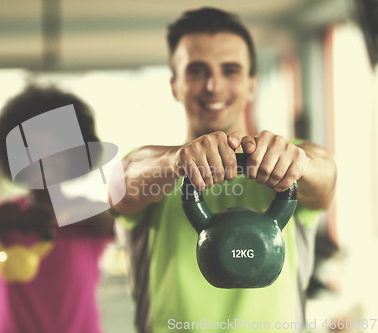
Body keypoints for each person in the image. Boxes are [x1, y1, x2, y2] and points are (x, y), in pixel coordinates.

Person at [111, 8, 337, 333]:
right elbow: (123, 179)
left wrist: (300, 164)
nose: (214, 85)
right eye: (197, 71)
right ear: (175, 86)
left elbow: (325, 172)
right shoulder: (156, 168)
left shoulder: (293, 159)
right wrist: (177, 161)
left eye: (230, 70)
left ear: (251, 85)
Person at [0, 86, 115, 333]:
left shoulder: (87, 214)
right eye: (30, 149)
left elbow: (112, 220)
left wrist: (62, 215)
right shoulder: (5, 217)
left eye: (54, 149)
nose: (42, 158)